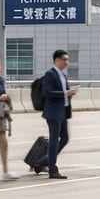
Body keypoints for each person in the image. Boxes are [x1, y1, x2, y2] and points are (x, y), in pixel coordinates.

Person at [41, 49, 79, 179]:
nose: (67, 62)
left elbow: (64, 92)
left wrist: (70, 93)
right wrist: (65, 93)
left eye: (67, 60)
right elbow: (46, 92)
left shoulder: (63, 75)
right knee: (53, 141)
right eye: (64, 59)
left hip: (63, 111)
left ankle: (43, 161)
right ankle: (52, 169)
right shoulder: (50, 74)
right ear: (56, 60)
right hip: (53, 112)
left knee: (65, 138)